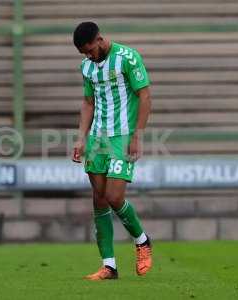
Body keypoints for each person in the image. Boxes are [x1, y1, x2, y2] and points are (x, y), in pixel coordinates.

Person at [71, 22, 153, 280]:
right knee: (99, 199)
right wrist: (80, 138)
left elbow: (145, 96)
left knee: (114, 196)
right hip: (97, 139)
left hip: (122, 137)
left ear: (99, 40)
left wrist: (137, 135)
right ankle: (109, 265)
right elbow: (87, 102)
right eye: (84, 53)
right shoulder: (87, 67)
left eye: (89, 51)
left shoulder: (127, 57)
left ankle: (141, 240)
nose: (88, 56)